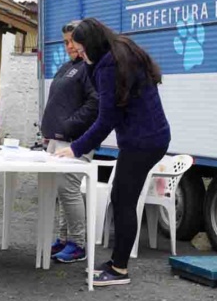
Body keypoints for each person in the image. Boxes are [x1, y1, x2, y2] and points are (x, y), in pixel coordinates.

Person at [53, 18, 171, 287]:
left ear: (93, 44)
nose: (80, 55)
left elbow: (105, 120)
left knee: (123, 200)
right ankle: (116, 262)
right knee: (121, 198)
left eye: (82, 50)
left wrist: (75, 148)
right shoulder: (120, 50)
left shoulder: (108, 66)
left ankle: (119, 269)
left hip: (143, 141)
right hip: (149, 137)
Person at [42, 21, 99, 264]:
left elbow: (95, 103)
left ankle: (78, 243)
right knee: (60, 190)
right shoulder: (68, 67)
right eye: (65, 42)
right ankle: (64, 238)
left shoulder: (89, 68)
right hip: (57, 140)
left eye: (72, 41)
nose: (68, 46)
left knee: (69, 188)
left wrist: (69, 125)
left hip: (75, 141)